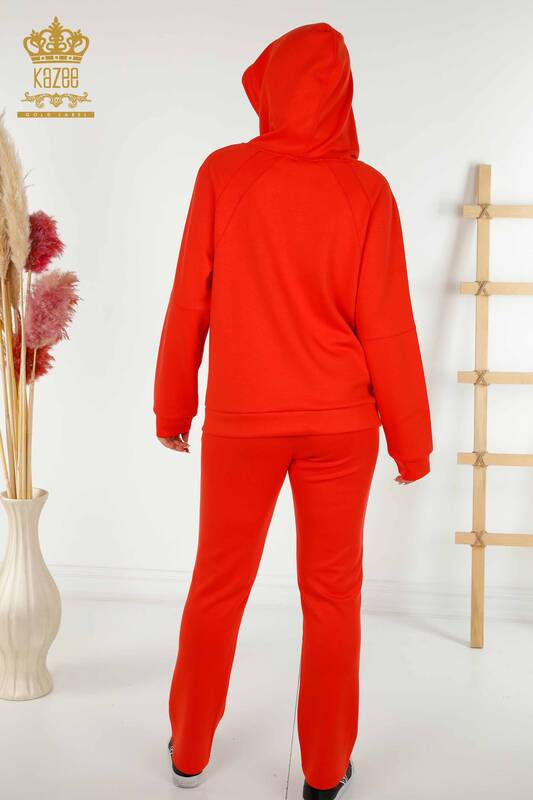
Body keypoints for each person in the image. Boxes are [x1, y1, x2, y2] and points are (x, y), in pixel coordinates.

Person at [154, 21, 432, 800]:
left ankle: (189, 753)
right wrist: (410, 443)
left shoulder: (223, 173)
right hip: (342, 425)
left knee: (218, 583)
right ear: (340, 96)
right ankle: (323, 772)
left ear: (270, 87)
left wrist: (173, 406)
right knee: (333, 596)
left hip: (242, 423)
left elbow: (189, 300)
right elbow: (387, 323)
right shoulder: (365, 190)